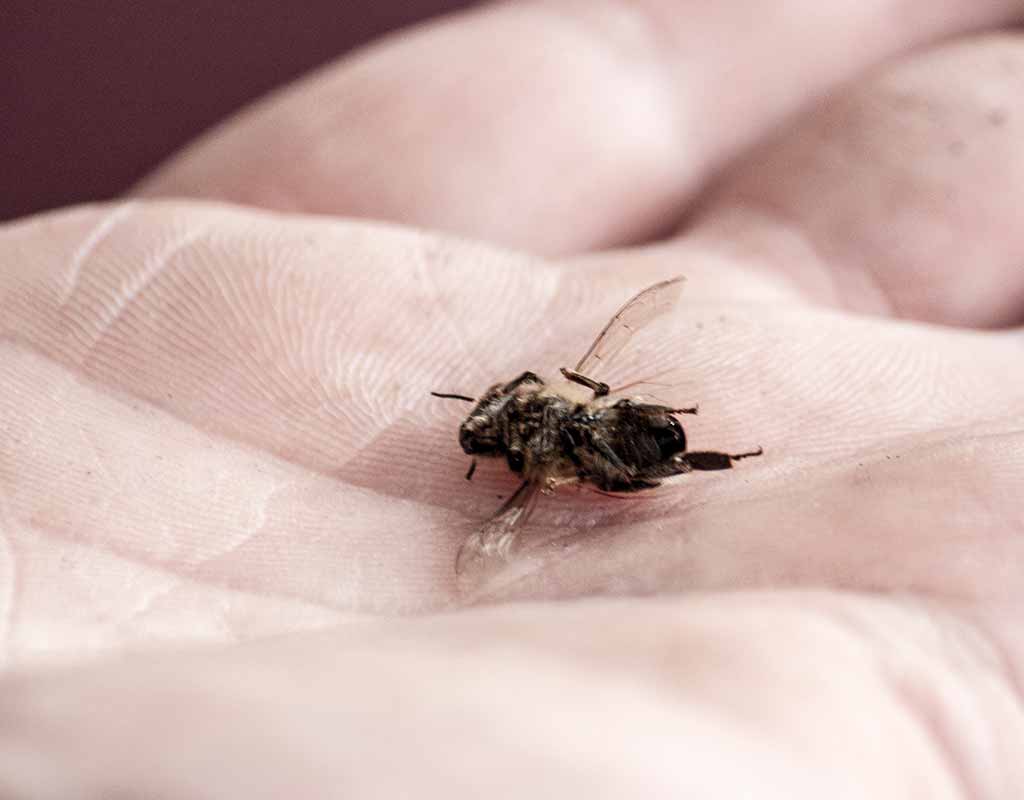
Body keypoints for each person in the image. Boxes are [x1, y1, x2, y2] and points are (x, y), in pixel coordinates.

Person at [1, 1, 1023, 795]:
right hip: (615, 441)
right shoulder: (543, 452)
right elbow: (552, 449)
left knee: (627, 446)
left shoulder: (546, 442)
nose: (499, 437)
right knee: (624, 450)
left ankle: (699, 456)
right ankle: (696, 457)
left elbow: (572, 418)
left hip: (620, 436)